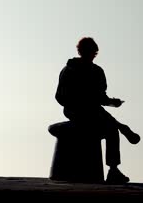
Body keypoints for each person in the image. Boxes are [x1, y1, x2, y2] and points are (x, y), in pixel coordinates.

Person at [55, 37, 140, 184]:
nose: (92, 54)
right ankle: (123, 129)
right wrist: (79, 102)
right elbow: (60, 97)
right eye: (90, 51)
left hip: (94, 110)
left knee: (111, 128)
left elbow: (101, 97)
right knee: (105, 120)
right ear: (82, 51)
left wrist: (113, 102)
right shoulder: (69, 70)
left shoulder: (97, 72)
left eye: (93, 51)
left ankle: (113, 170)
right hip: (74, 110)